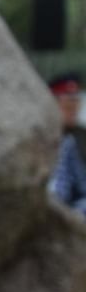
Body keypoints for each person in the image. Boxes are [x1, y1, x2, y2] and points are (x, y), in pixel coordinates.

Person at [48, 73, 86, 215]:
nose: (73, 110)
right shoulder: (38, 138)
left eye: (76, 103)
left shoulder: (78, 138)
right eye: (67, 105)